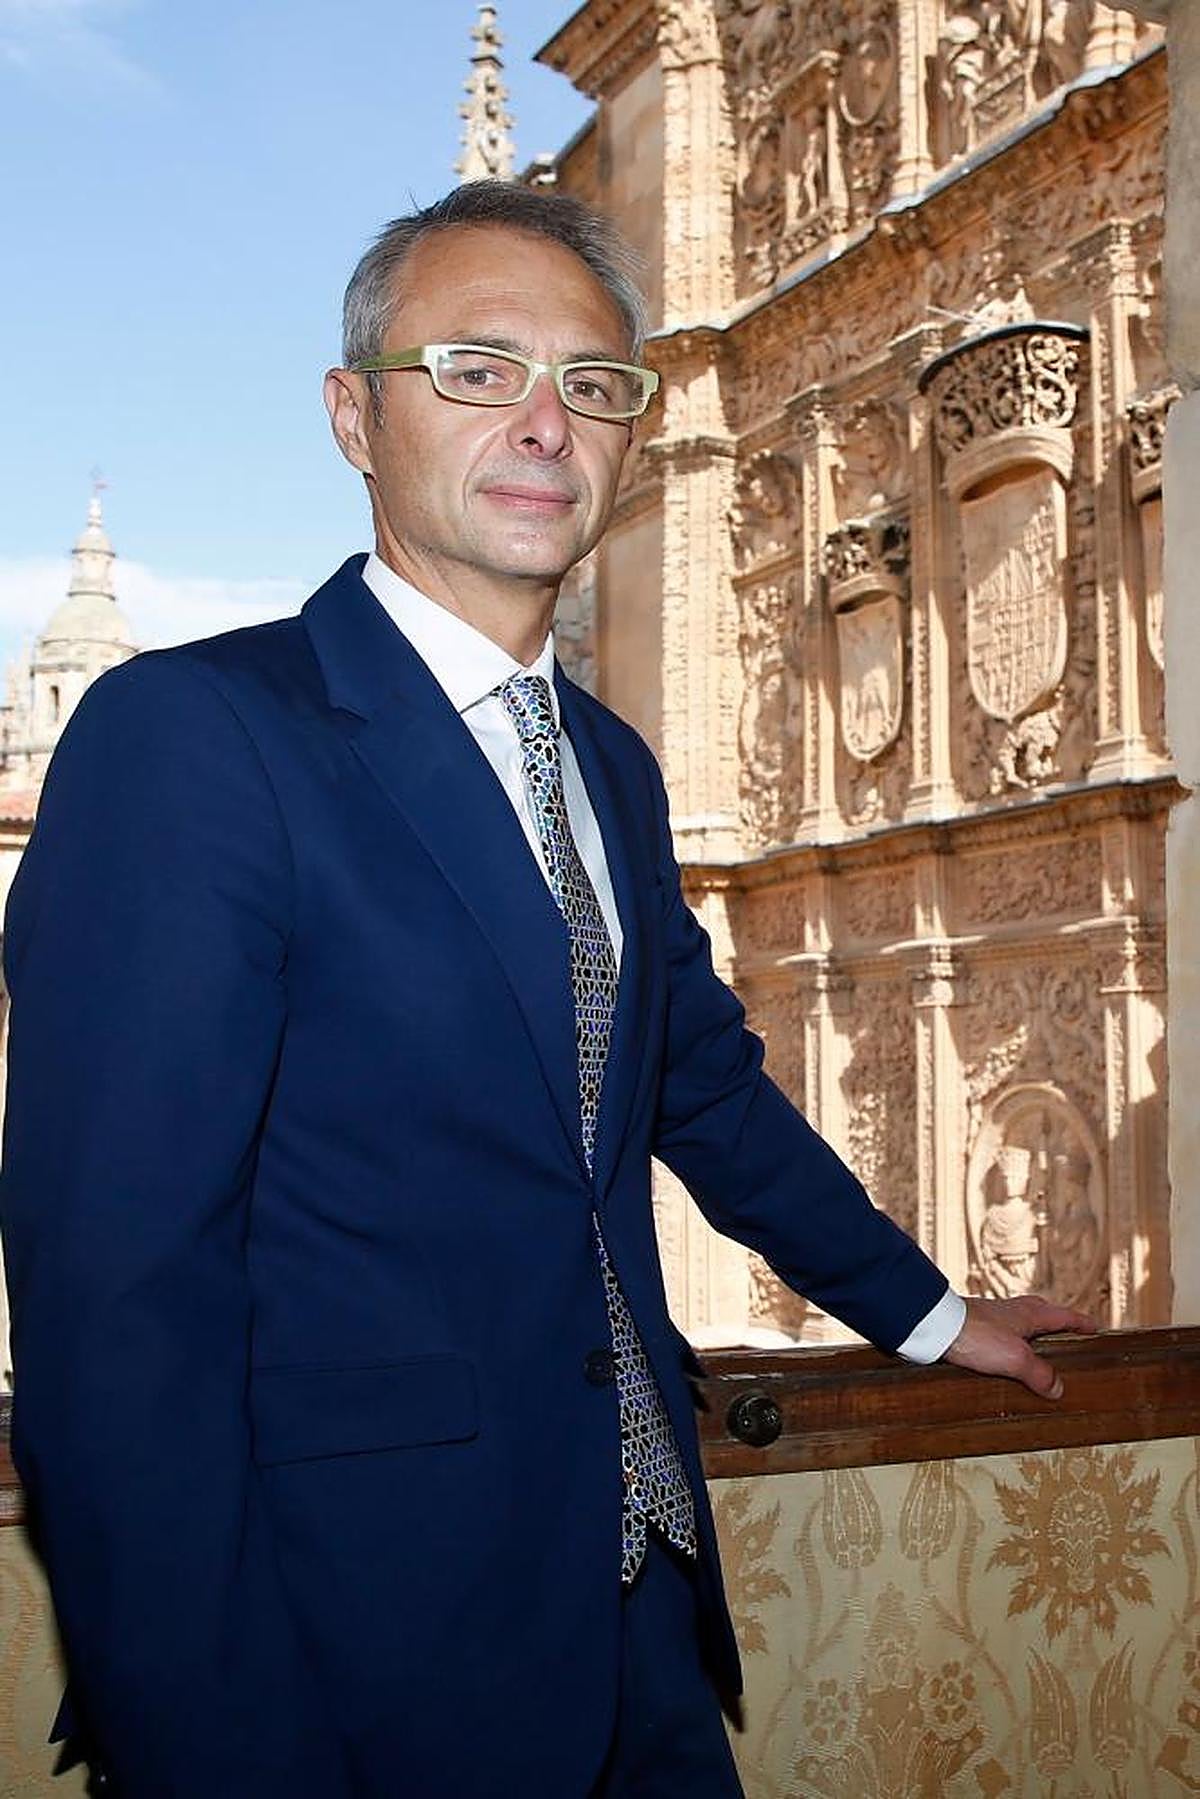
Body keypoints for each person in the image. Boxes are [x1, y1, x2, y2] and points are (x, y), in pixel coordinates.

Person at [0, 181, 1094, 1799]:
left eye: (594, 387)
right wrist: (203, 1744)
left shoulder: (613, 768)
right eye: (475, 369)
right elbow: (115, 1303)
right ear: (353, 419)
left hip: (639, 1615)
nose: (543, 425)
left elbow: (697, 1086)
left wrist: (927, 1314)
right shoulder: (194, 737)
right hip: (339, 1653)